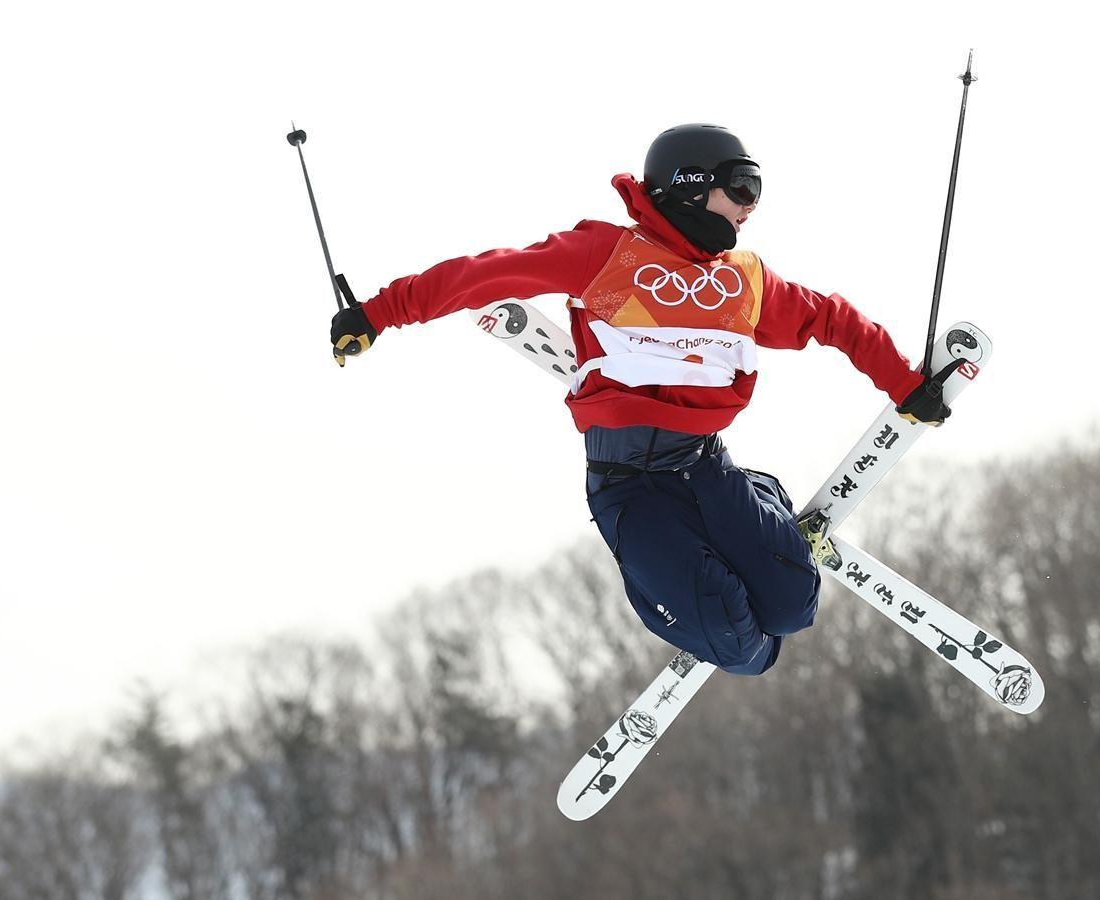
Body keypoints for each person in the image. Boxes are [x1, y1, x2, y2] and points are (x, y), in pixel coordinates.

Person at [329, 124, 950, 675]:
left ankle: (762, 511)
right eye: (742, 188)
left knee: (794, 606)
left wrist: (904, 383)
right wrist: (378, 314)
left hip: (705, 467)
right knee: (745, 646)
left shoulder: (744, 281)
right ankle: (713, 618)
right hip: (630, 486)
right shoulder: (606, 255)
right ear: (689, 186)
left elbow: (833, 319)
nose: (749, 209)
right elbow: (484, 274)